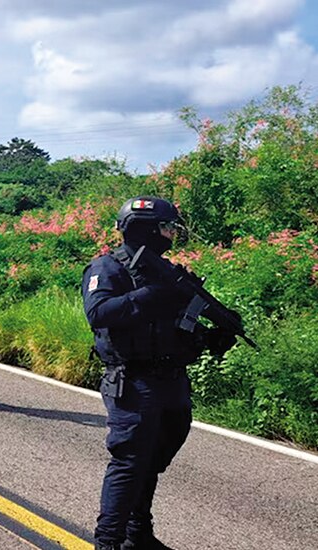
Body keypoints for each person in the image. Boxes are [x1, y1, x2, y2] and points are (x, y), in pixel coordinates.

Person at [82, 196, 236, 550]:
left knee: (154, 458)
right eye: (165, 227)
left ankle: (138, 535)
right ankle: (108, 543)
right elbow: (99, 313)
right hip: (133, 381)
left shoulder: (166, 272)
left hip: (171, 380)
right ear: (146, 230)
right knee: (130, 461)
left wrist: (211, 337)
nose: (170, 234)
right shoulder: (108, 268)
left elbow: (179, 325)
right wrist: (155, 294)